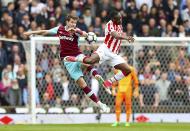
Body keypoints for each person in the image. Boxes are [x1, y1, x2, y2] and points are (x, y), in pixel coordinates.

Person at [23, 14, 110, 112]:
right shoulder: (59, 29)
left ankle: (99, 78)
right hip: (68, 61)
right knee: (83, 85)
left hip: (77, 55)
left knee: (86, 62)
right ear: (67, 22)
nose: (73, 24)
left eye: (75, 23)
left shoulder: (76, 31)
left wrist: (77, 31)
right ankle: (100, 104)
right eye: (72, 22)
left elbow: (86, 35)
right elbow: (45, 32)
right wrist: (31, 32)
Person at [64, 11, 135, 88]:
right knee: (90, 61)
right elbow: (115, 35)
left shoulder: (119, 25)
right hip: (105, 50)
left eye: (120, 18)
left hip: (114, 54)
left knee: (127, 70)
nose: (120, 20)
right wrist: (126, 37)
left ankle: (109, 82)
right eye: (118, 19)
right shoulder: (109, 25)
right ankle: (74, 58)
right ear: (113, 19)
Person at [111, 59, 139, 127]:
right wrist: (113, 89)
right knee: (117, 105)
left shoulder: (131, 69)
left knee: (128, 105)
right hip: (120, 90)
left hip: (128, 90)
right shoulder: (117, 70)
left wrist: (136, 90)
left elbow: (136, 81)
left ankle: (127, 121)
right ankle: (117, 121)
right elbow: (115, 81)